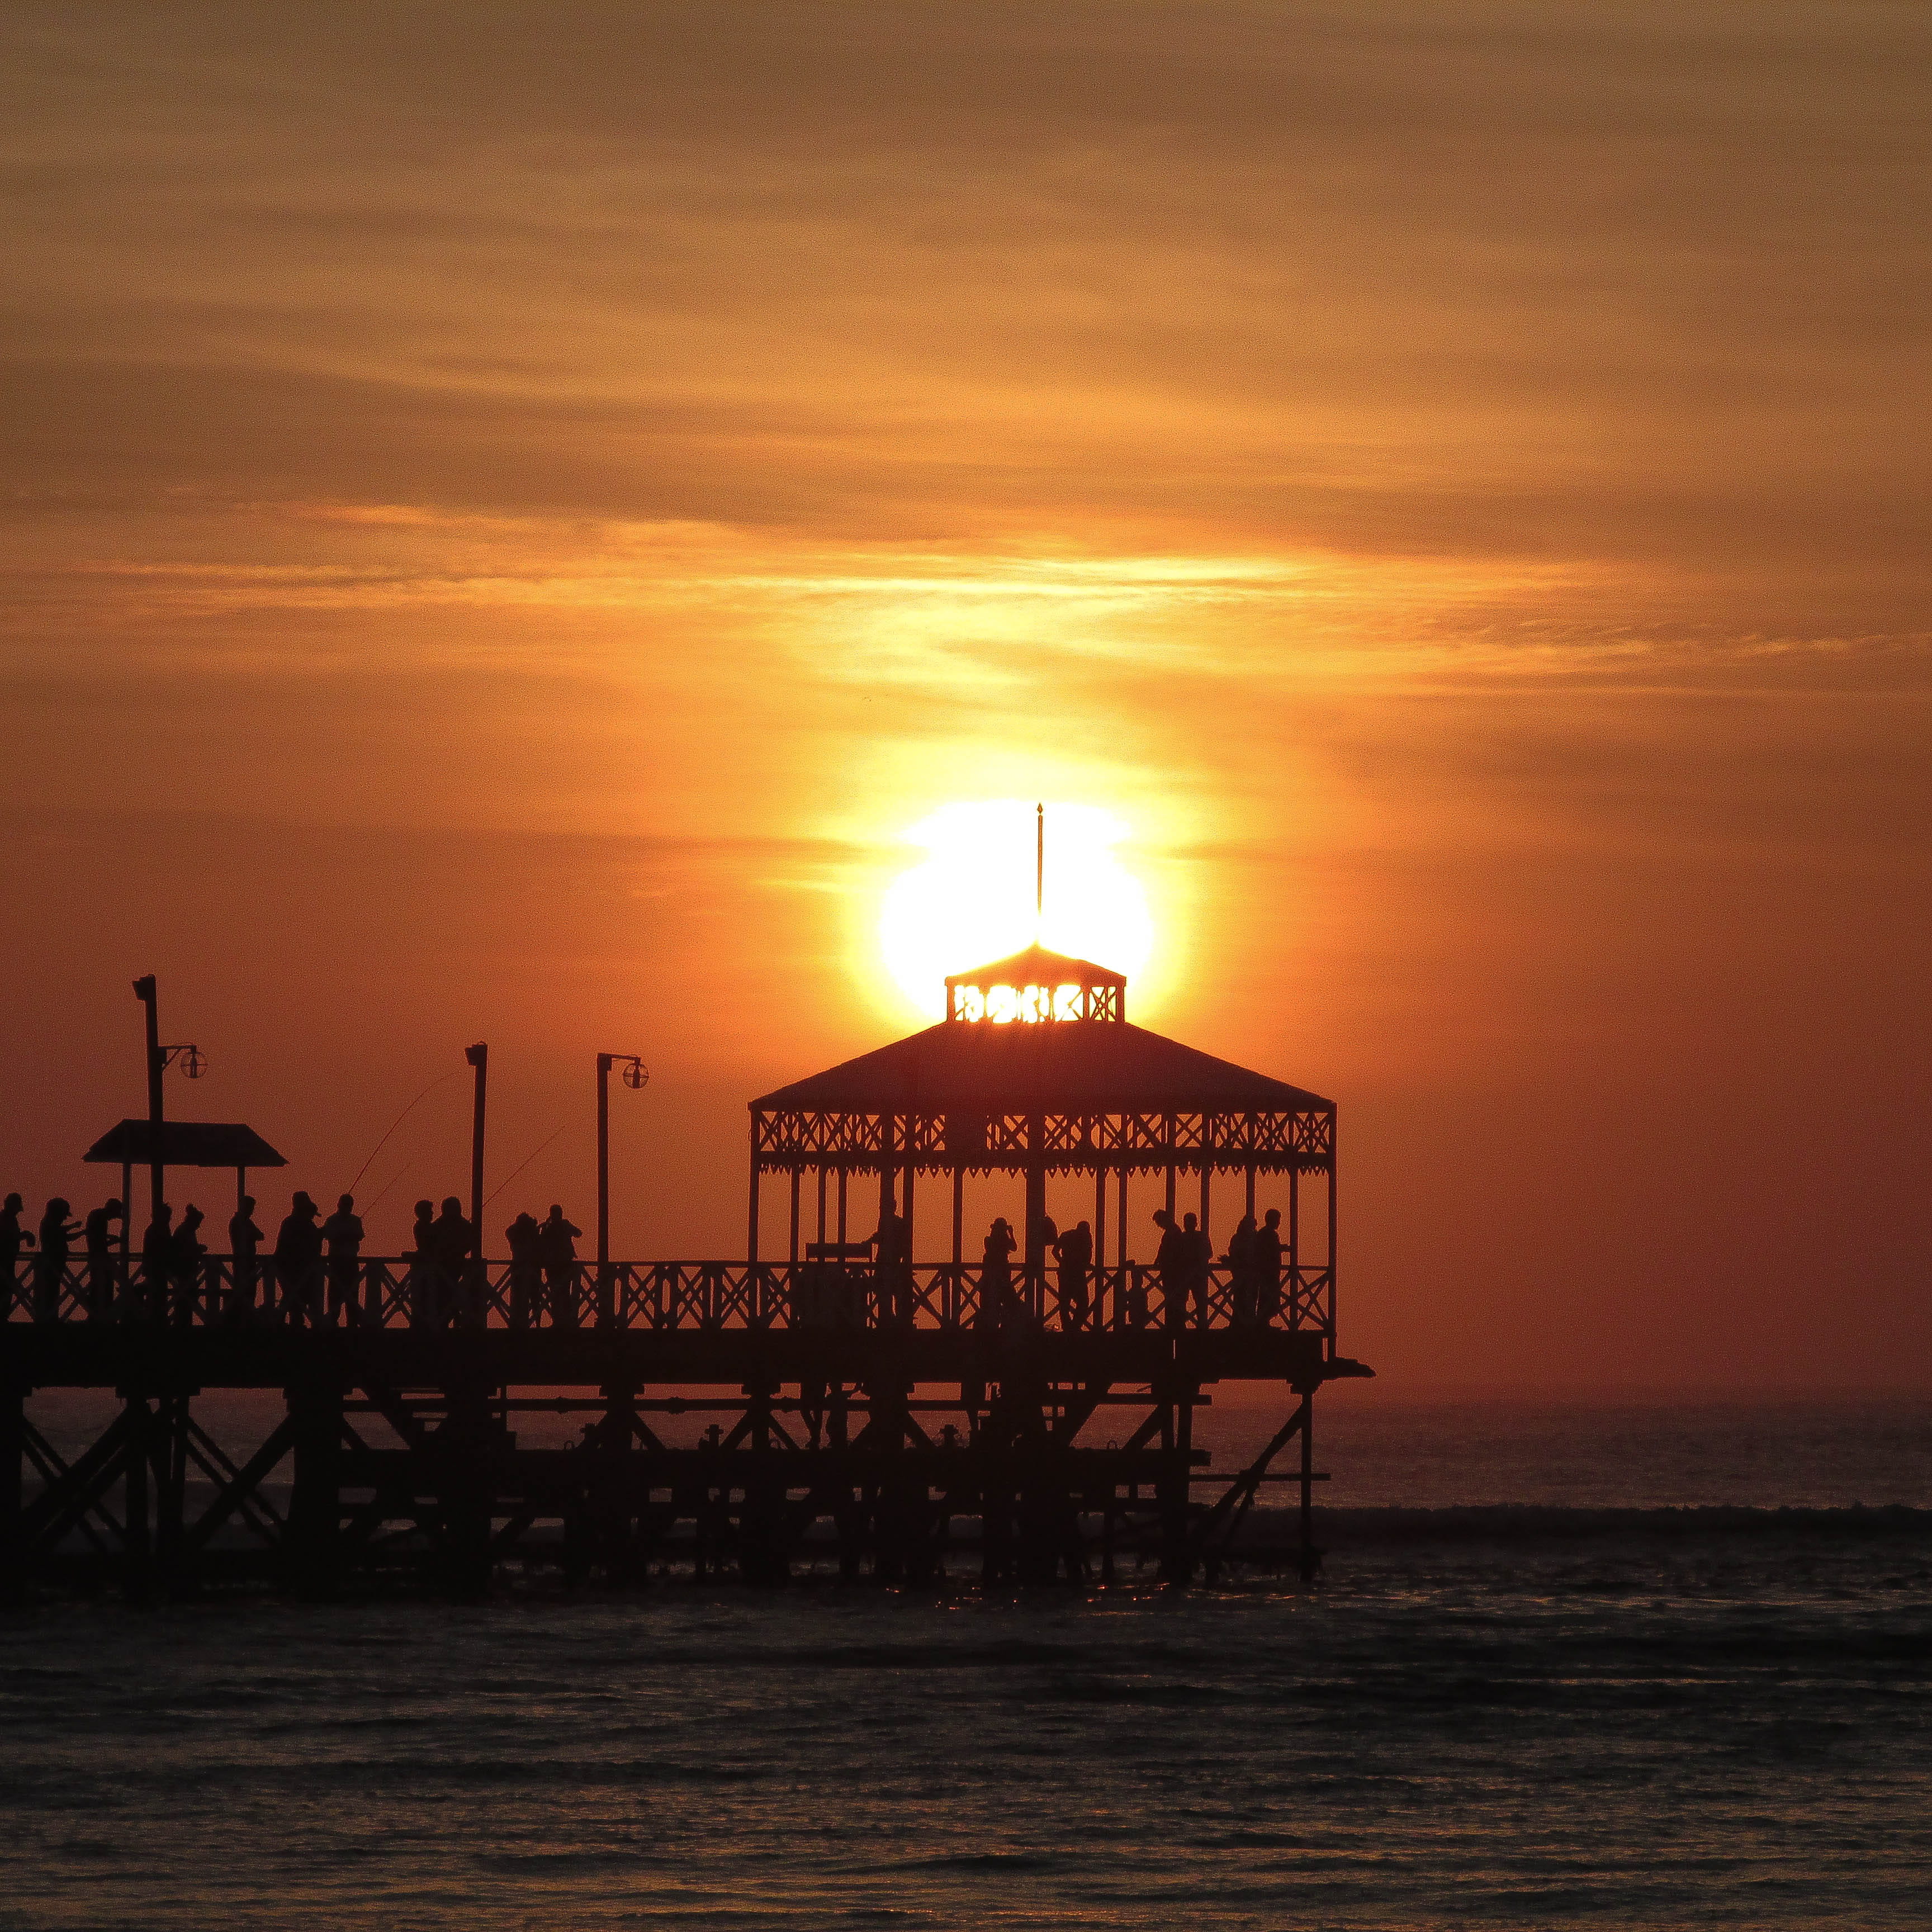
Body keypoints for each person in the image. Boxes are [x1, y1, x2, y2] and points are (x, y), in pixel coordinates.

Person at [275, 1192, 324, 1327]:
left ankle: (291, 1320)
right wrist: (319, 1236)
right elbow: (308, 1246)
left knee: (294, 1295)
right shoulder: (300, 1224)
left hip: (288, 1266)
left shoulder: (290, 1222)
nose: (312, 1217)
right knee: (296, 1294)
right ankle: (290, 1320)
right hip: (295, 1267)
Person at [430, 1197, 477, 1328]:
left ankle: (450, 1319)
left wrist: (454, 1252)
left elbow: (470, 1242)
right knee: (447, 1293)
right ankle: (449, 1319)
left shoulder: (443, 1225)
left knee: (450, 1293)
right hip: (445, 1265)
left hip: (454, 1265)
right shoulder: (442, 1225)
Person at [321, 1192, 365, 1327]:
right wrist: (346, 1236)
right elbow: (328, 1235)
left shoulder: (355, 1220)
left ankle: (352, 1321)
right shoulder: (332, 1220)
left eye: (349, 1205)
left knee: (352, 1292)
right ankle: (333, 1320)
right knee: (335, 1293)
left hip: (351, 1261)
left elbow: (360, 1235)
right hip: (337, 1262)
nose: (347, 1208)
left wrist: (345, 1235)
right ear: (339, 1205)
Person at [870, 1189, 911, 1328]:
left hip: (887, 1262)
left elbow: (883, 1237)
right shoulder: (899, 1222)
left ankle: (890, 1317)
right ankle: (895, 1317)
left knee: (887, 1289)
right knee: (894, 1291)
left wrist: (870, 1241)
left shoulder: (888, 1221)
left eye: (882, 1206)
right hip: (892, 1261)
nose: (880, 1208)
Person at [35, 1198, 77, 1323]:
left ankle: (51, 1317)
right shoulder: (49, 1225)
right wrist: (77, 1228)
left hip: (55, 1265)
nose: (64, 1218)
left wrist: (76, 1229)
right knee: (49, 1291)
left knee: (53, 1292)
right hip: (51, 1265)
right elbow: (62, 1234)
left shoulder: (49, 1224)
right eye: (63, 1215)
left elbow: (63, 1234)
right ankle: (49, 1318)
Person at [539, 1204, 581, 1329]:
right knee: (564, 1293)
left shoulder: (550, 1227)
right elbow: (578, 1233)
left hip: (554, 1264)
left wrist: (546, 1225)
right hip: (564, 1264)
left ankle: (559, 1321)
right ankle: (566, 1320)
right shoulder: (562, 1225)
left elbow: (541, 1240)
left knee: (555, 1293)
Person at [83, 1197, 123, 1321]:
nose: (113, 1218)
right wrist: (115, 1241)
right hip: (99, 1258)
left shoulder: (97, 1215)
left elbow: (97, 1235)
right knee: (103, 1288)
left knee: (98, 1288)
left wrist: (110, 1238)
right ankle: (100, 1317)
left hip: (97, 1257)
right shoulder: (100, 1218)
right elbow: (99, 1242)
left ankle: (96, 1316)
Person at [1153, 1208, 1190, 1333]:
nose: (1158, 1225)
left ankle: (1176, 1323)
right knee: (1174, 1298)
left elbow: (1169, 1250)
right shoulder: (1173, 1231)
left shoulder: (1173, 1232)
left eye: (1158, 1222)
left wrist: (1162, 1260)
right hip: (1172, 1272)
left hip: (1173, 1273)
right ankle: (1177, 1323)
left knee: (1174, 1297)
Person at [229, 1196, 264, 1323]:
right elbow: (258, 1235)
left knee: (249, 1291)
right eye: (250, 1207)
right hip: (243, 1262)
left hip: (248, 1262)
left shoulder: (245, 1222)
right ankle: (243, 1319)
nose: (252, 1210)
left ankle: (246, 1317)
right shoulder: (239, 1222)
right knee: (244, 1291)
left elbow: (260, 1236)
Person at [170, 1204, 206, 1325]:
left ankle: (183, 1321)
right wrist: (198, 1249)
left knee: (186, 1297)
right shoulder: (185, 1231)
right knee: (186, 1296)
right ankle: (182, 1322)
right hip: (184, 1270)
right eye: (198, 1223)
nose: (199, 1226)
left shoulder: (185, 1230)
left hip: (186, 1270)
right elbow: (186, 1249)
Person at [1054, 1219, 1093, 1331]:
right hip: (1078, 1274)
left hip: (1065, 1273)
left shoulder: (1066, 1235)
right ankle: (1075, 1327)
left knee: (1064, 1303)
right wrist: (1086, 1264)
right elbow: (1089, 1255)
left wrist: (1063, 1262)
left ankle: (1068, 1327)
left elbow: (1055, 1251)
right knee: (1083, 1302)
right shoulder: (1086, 1237)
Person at [978, 1216, 1016, 1332]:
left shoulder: (989, 1241)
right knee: (1000, 1300)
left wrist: (1010, 1234)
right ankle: (996, 1324)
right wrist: (1011, 1234)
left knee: (992, 1300)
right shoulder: (993, 1241)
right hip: (999, 1275)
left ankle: (993, 1324)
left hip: (994, 1275)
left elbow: (1014, 1248)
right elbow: (1014, 1248)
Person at [506, 1211, 543, 1329]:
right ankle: (530, 1322)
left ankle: (525, 1322)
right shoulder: (521, 1234)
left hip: (526, 1269)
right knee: (529, 1297)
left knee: (530, 1297)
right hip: (526, 1269)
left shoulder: (521, 1234)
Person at [140, 1202, 174, 1323]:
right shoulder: (157, 1229)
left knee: (157, 1294)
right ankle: (156, 1318)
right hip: (156, 1268)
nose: (170, 1219)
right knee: (156, 1294)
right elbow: (163, 1246)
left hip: (156, 1268)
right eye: (168, 1216)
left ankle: (156, 1317)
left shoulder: (157, 1229)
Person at [406, 1199, 438, 1329]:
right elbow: (428, 1244)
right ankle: (420, 1322)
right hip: (426, 1267)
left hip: (426, 1266)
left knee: (422, 1296)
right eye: (430, 1211)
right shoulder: (423, 1227)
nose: (432, 1214)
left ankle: (420, 1321)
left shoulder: (422, 1227)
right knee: (423, 1295)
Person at [1224, 1214, 1259, 1327]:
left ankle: (1244, 1321)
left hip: (1250, 1274)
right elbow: (1234, 1253)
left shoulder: (1250, 1237)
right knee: (1241, 1297)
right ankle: (1240, 1322)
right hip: (1243, 1273)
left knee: (1249, 1297)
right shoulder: (1240, 1238)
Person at [1252, 1208, 1285, 1327]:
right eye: (1278, 1220)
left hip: (1271, 1272)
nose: (1279, 1223)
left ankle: (1265, 1322)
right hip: (1268, 1272)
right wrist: (1279, 1248)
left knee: (1270, 1297)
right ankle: (1263, 1322)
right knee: (1267, 1297)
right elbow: (1266, 1250)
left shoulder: (1266, 1233)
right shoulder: (1267, 1234)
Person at [1181, 1211, 1214, 1329]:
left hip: (1191, 1275)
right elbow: (1210, 1253)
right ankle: (1200, 1324)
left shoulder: (1184, 1238)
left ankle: (1196, 1323)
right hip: (1193, 1275)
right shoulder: (1199, 1237)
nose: (1187, 1225)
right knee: (1194, 1300)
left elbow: (1209, 1253)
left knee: (1195, 1300)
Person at [2, 1193, 31, 1315]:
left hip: (9, 1260)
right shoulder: (5, 1219)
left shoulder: (10, 1219)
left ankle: (4, 1315)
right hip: (4, 1260)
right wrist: (25, 1235)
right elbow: (8, 1237)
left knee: (8, 1288)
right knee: (5, 1287)